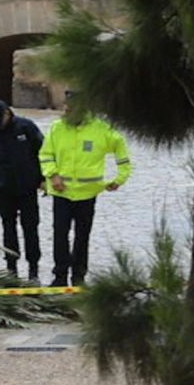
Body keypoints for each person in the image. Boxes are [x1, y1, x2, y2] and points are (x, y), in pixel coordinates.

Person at [38, 91, 132, 287]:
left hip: (88, 193)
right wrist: (52, 175)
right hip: (61, 192)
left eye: (70, 108)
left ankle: (79, 276)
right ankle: (60, 276)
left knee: (82, 236)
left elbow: (122, 154)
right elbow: (45, 154)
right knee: (60, 235)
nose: (66, 111)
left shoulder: (102, 129)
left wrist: (120, 179)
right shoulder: (57, 128)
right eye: (65, 108)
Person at [0, 100, 45, 281]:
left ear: (8, 113)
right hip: (3, 189)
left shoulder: (26, 128)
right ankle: (11, 269)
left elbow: (44, 153)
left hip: (28, 187)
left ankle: (33, 270)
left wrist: (44, 178)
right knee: (8, 229)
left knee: (31, 228)